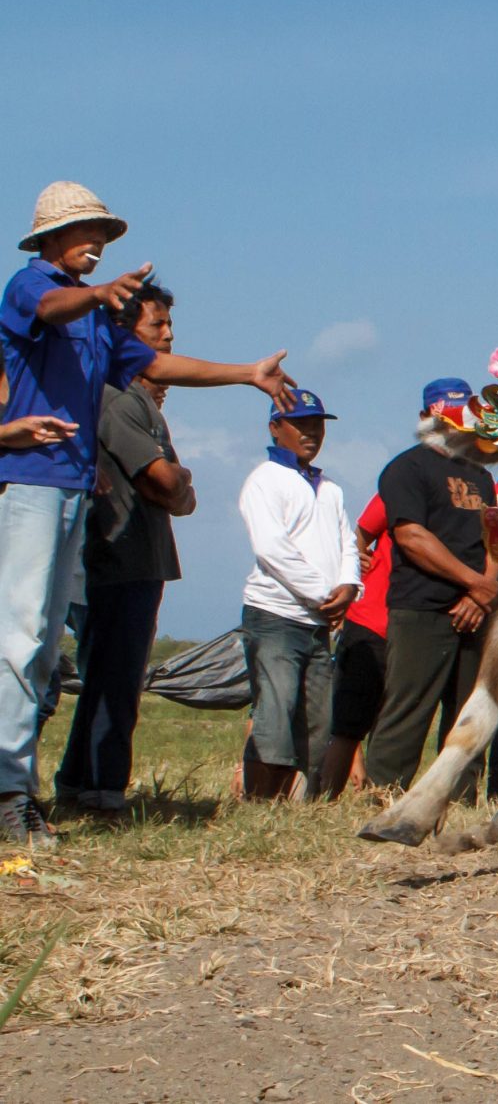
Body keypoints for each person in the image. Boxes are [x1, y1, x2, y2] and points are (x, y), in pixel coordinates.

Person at [1, 181, 293, 847]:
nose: (98, 240)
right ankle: (8, 790)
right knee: (19, 638)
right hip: (29, 479)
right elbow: (47, 306)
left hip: (72, 487)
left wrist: (247, 372)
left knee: (44, 647)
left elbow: (161, 362)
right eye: (85, 229)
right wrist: (98, 296)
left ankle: (19, 788)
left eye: (103, 228)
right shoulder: (32, 284)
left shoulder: (103, 321)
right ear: (50, 237)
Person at [54, 280, 192, 817]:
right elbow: (164, 479)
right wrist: (175, 479)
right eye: (157, 325)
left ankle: (86, 784)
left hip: (142, 559)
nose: (168, 336)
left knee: (118, 680)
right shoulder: (117, 398)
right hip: (115, 560)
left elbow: (181, 497)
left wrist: (175, 483)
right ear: (124, 332)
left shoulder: (142, 401)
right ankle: (96, 790)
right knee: (111, 681)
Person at [365, 379, 498, 793]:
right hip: (422, 607)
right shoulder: (407, 468)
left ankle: (459, 796)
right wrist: (476, 584)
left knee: (471, 712)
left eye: (463, 414)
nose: (457, 424)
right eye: (447, 415)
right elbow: (411, 537)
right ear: (426, 417)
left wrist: (485, 591)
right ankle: (386, 794)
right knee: (408, 708)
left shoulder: (481, 475)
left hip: (477, 610)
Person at [238, 389, 359, 799]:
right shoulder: (264, 480)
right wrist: (325, 593)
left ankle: (297, 803)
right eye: (301, 424)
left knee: (316, 718)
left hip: (315, 619)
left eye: (317, 425)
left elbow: (347, 544)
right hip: (275, 613)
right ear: (276, 428)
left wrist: (349, 586)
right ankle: (260, 804)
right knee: (275, 709)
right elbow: (272, 549)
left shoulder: (330, 488)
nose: (311, 432)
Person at [312, 494, 394, 799]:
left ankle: (378, 799)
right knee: (347, 724)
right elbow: (357, 539)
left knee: (390, 725)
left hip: (410, 626)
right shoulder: (399, 484)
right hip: (370, 619)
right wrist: (356, 571)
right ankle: (324, 800)